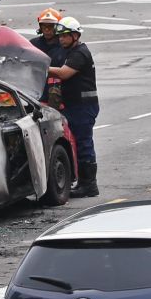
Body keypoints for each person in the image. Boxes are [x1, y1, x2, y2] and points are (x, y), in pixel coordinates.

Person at [46, 17, 100, 198]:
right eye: (59, 36)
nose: (61, 39)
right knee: (77, 143)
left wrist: (42, 67)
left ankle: (89, 185)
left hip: (83, 107)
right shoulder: (67, 51)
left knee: (84, 144)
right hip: (74, 106)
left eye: (65, 36)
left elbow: (64, 73)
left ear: (75, 35)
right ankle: (83, 182)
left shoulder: (80, 53)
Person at [30, 8, 66, 106]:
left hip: (58, 92)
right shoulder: (33, 44)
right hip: (36, 89)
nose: (46, 30)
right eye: (44, 26)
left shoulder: (64, 45)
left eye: (50, 26)